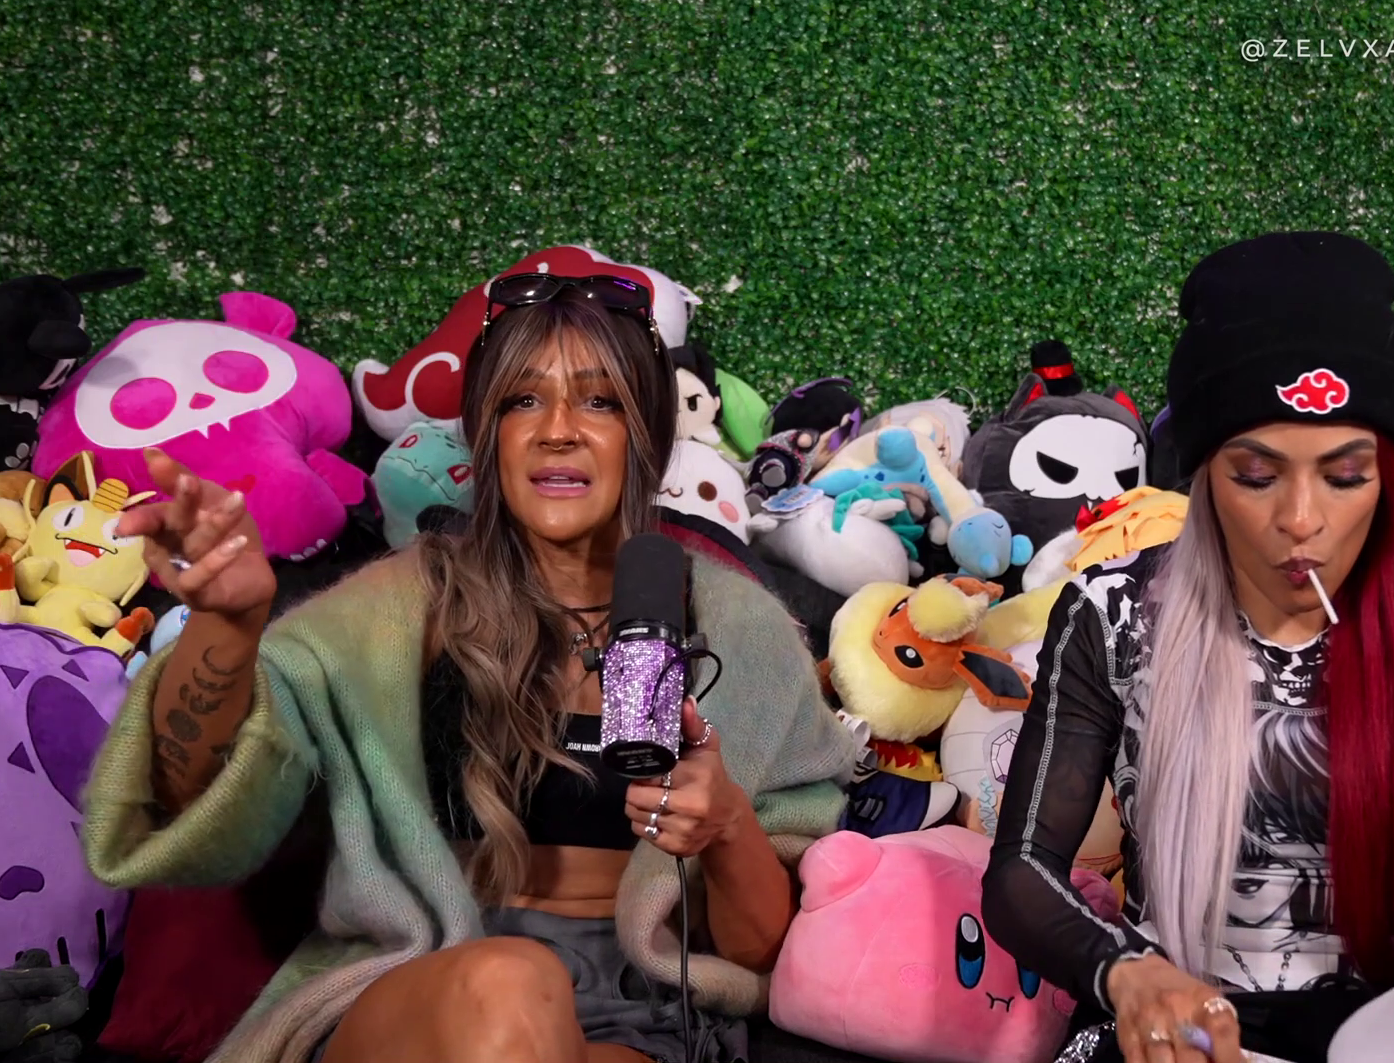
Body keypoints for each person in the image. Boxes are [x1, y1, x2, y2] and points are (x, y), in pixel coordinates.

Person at [81, 274, 857, 1063]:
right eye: (523, 401)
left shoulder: (742, 631)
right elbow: (195, 797)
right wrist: (227, 626)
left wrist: (726, 825)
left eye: (599, 402)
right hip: (417, 984)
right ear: (487, 434)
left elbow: (763, 955)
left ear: (647, 433)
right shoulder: (394, 611)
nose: (558, 431)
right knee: (507, 986)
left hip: (645, 1011)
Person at [981, 232, 1394, 1063]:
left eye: (1345, 477)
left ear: (1387, 476)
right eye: (1256, 475)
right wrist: (1123, 972)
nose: (1302, 520)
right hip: (1188, 1025)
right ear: (1203, 473)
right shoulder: (1111, 612)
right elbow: (1021, 869)